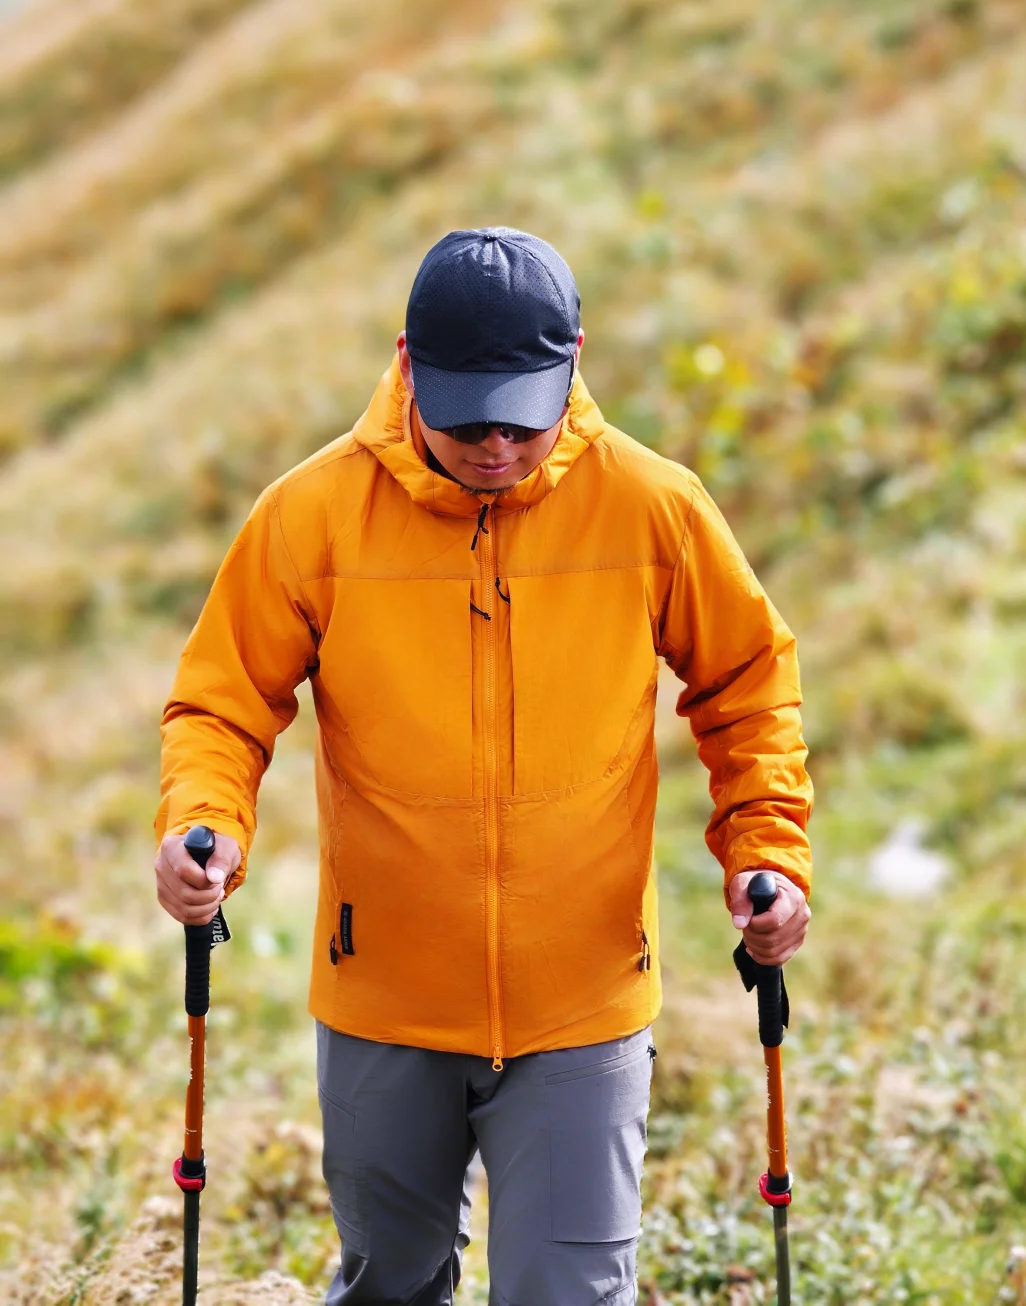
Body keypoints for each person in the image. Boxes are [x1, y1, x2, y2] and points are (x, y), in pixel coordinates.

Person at [153, 227, 813, 1305]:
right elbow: (221, 704)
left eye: (521, 415)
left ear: (575, 362)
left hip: (584, 1001)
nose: (496, 445)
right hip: (383, 999)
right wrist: (206, 823)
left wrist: (768, 850)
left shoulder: (655, 506)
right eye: (466, 418)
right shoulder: (310, 517)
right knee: (390, 1286)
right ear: (408, 366)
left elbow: (749, 686)